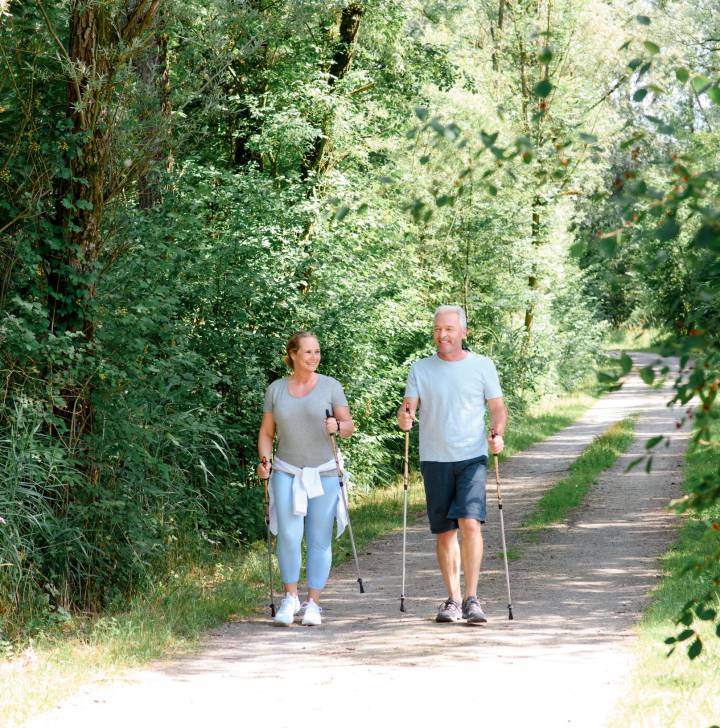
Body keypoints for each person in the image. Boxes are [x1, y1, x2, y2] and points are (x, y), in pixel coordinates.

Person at [397, 305, 507, 624]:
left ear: (463, 333)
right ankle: (453, 600)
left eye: (448, 329)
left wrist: (497, 433)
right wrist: (405, 419)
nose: (442, 335)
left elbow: (498, 409)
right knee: (445, 533)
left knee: (470, 523)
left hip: (472, 456)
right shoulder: (420, 368)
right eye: (437, 329)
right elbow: (408, 410)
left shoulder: (482, 366)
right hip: (434, 458)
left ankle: (472, 599)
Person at [257, 331, 354, 627]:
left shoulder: (330, 386)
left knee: (319, 538)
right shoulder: (276, 389)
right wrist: (265, 461)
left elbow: (349, 425)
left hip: (323, 471)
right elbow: (266, 433)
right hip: (286, 469)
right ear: (293, 354)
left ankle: (314, 603)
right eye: (308, 352)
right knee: (288, 534)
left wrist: (337, 425)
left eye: (317, 352)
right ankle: (290, 598)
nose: (314, 357)